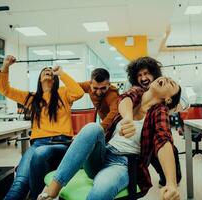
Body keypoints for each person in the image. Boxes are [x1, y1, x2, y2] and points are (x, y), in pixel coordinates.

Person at [38, 77, 181, 200]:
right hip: (102, 154)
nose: (167, 79)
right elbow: (124, 100)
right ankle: (52, 191)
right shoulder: (137, 92)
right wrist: (128, 118)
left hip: (121, 164)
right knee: (93, 128)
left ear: (168, 99)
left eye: (172, 83)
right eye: (166, 77)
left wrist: (171, 183)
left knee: (101, 190)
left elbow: (164, 141)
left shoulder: (159, 112)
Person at [0, 55, 84, 200]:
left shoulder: (63, 93)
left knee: (39, 154)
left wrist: (61, 73)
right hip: (38, 143)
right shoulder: (32, 98)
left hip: (61, 143)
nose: (48, 71)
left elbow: (79, 92)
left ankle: (38, 197)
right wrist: (5, 67)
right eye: (44, 70)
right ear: (39, 79)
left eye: (50, 70)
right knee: (19, 183)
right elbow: (5, 90)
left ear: (54, 78)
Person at [125, 56, 182, 187]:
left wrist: (169, 107)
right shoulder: (134, 90)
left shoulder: (164, 86)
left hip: (156, 128)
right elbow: (125, 101)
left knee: (165, 147)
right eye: (139, 75)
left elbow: (181, 101)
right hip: (135, 134)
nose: (143, 78)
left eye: (146, 73)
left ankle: (170, 179)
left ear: (154, 74)